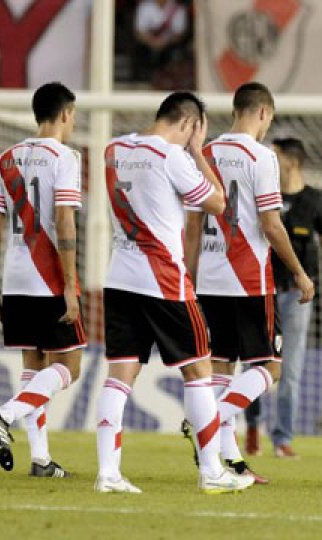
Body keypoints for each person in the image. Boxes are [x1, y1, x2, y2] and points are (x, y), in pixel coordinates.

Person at [94, 91, 252, 495]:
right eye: (195, 131)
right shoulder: (171, 156)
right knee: (200, 371)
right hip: (163, 280)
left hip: (120, 277)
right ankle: (212, 470)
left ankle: (108, 473)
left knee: (118, 377)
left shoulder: (114, 149)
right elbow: (218, 203)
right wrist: (199, 153)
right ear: (188, 124)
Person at [181, 83, 314, 484]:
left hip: (209, 279)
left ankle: (231, 461)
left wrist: (189, 274)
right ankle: (210, 421)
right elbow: (271, 225)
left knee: (221, 368)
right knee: (270, 367)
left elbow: (192, 225)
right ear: (263, 114)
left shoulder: (204, 155)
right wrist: (299, 272)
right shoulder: (262, 157)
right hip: (250, 279)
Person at [0, 82, 85, 479]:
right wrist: (70, 285)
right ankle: (4, 414)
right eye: (72, 116)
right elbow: (63, 221)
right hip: (49, 277)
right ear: (63, 115)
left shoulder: (6, 159)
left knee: (32, 364)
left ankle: (40, 460)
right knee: (69, 367)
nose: (73, 123)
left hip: (15, 277)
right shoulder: (66, 157)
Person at [242, 136, 322, 459]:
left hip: (297, 296)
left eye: (274, 155)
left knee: (291, 368)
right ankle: (252, 427)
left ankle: (283, 437)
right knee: (255, 363)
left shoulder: (314, 200)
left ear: (290, 161)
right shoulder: (263, 193)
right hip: (261, 292)